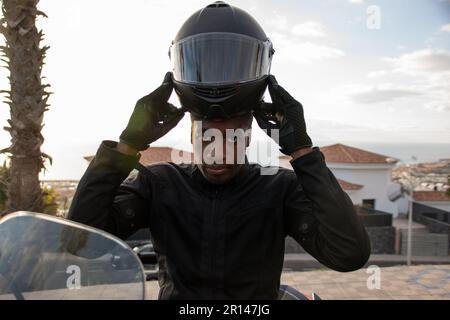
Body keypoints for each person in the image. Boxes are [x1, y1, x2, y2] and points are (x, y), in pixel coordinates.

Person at [68, 2, 370, 300]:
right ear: (191, 136)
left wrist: (302, 151)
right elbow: (79, 241)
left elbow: (348, 255)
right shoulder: (159, 183)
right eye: (207, 139)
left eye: (233, 139)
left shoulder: (279, 187)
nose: (219, 154)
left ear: (250, 139)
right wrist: (128, 144)